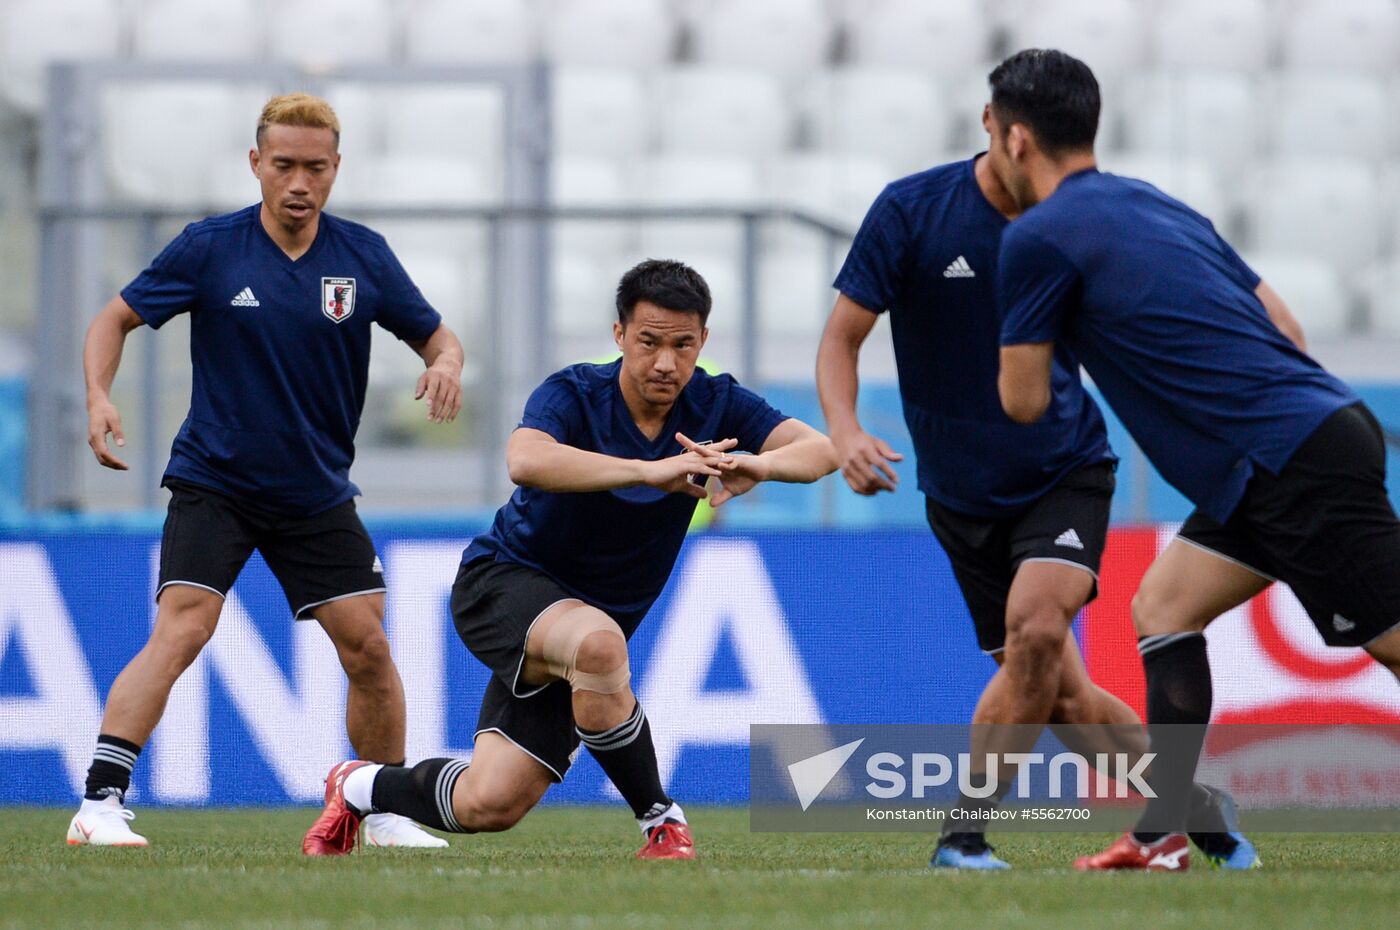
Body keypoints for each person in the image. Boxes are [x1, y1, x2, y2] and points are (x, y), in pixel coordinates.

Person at [991, 48, 1400, 871]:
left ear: (1016, 139)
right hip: (1299, 439)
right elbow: (1286, 328)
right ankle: (1163, 831)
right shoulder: (1158, 204)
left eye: (991, 130)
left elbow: (1025, 401)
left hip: (1286, 460)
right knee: (1164, 608)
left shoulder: (1036, 239)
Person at [815, 105, 1254, 870]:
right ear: (994, 123)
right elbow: (842, 336)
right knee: (1060, 696)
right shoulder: (912, 210)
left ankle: (962, 836)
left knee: (1040, 630)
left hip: (1065, 470)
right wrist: (846, 430)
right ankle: (1194, 808)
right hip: (958, 494)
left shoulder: (1076, 220)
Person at [302, 259, 839, 858]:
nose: (666, 362)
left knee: (490, 802)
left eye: (683, 345)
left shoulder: (717, 403)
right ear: (619, 335)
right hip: (502, 585)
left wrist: (759, 465)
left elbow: (819, 452)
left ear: (703, 342)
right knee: (601, 643)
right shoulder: (575, 392)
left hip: (582, 633)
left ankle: (358, 785)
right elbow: (525, 460)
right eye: (649, 342)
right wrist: (647, 470)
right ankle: (661, 821)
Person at [68, 93, 464, 849]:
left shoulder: (363, 256)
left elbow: (439, 336)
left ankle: (381, 812)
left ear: (336, 169)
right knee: (184, 628)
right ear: (256, 163)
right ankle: (100, 802)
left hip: (314, 491)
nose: (298, 182)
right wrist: (96, 397)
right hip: (216, 480)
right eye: (283, 165)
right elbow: (111, 319)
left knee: (370, 646)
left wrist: (445, 364)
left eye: (315, 167)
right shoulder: (210, 248)